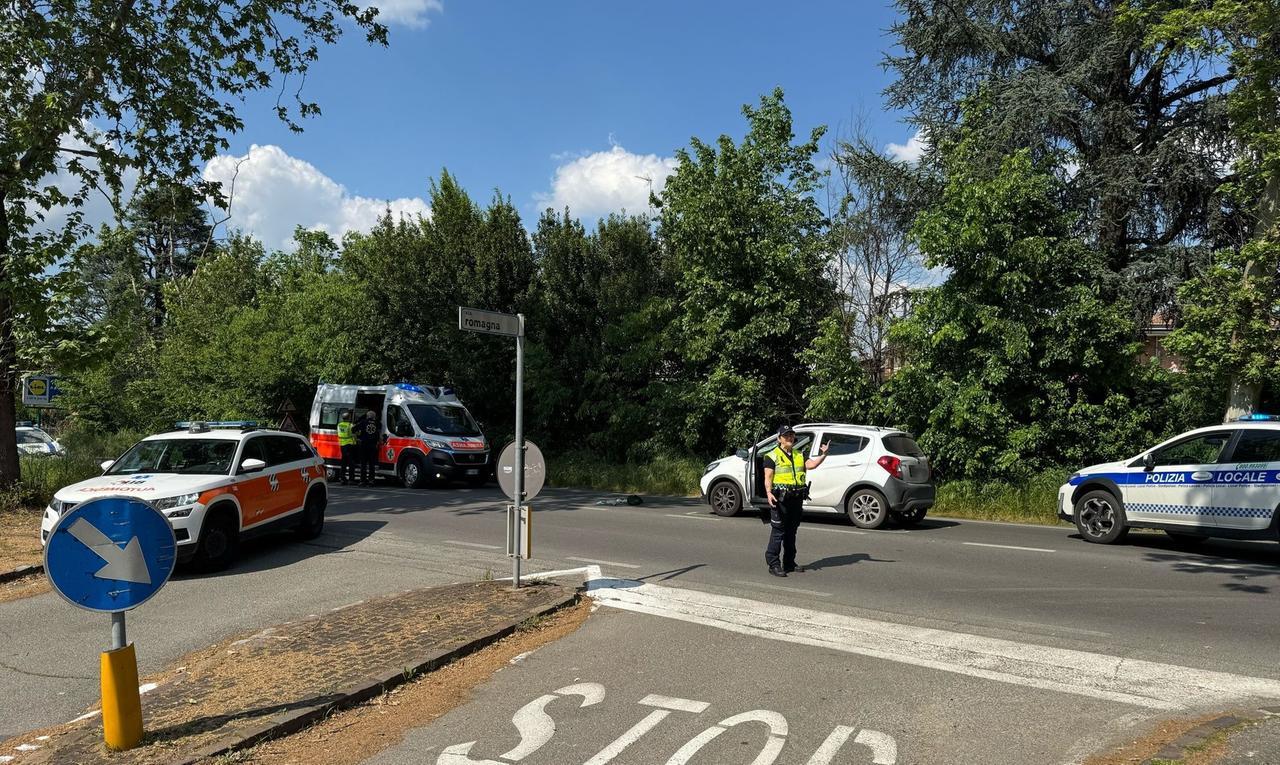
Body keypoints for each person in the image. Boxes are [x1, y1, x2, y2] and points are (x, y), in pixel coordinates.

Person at [763, 424, 829, 577]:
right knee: (778, 531)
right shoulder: (771, 456)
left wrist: (823, 455)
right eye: (786, 436)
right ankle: (773, 564)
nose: (790, 438)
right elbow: (768, 477)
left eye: (791, 435)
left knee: (791, 532)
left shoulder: (799, 454)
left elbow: (811, 465)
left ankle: (789, 563)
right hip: (780, 499)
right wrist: (768, 493)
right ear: (779, 439)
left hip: (796, 499)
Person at [356, 410, 380, 486]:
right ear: (374, 417)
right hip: (373, 446)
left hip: (364, 445)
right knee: (371, 464)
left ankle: (362, 481)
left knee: (363, 464)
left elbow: (353, 429)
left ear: (367, 416)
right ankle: (371, 481)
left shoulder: (363, 422)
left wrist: (358, 437)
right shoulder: (378, 423)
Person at [337, 410, 357, 485]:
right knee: (351, 463)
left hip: (342, 445)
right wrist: (356, 441)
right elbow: (354, 435)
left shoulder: (339, 425)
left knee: (344, 462)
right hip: (349, 445)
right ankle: (351, 479)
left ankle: (342, 478)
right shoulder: (350, 425)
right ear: (349, 418)